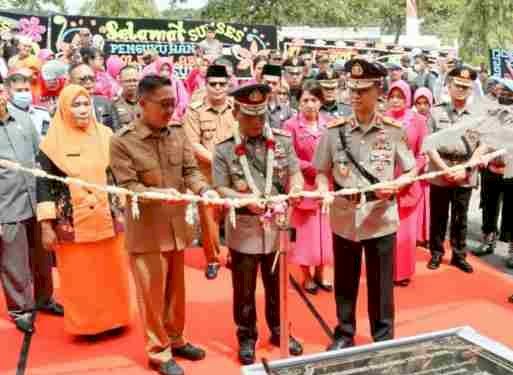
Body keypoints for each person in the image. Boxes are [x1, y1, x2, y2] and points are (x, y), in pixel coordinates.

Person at [110, 75, 214, 375]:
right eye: (164, 104)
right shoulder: (122, 141)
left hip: (177, 227)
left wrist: (203, 189)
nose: (171, 110)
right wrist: (157, 194)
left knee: (175, 293)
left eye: (173, 103)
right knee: (152, 296)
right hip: (147, 233)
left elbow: (191, 170)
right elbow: (128, 186)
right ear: (142, 104)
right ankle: (158, 352)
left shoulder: (178, 132)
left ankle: (177, 339)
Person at [313, 59, 416, 349]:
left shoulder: (393, 131)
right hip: (345, 215)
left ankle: (382, 338)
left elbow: (411, 168)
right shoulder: (334, 131)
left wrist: (398, 184)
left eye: (363, 90)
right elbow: (322, 170)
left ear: (378, 91)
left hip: (380, 217)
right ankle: (344, 333)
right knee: (344, 282)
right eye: (352, 89)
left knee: (381, 287)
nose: (355, 95)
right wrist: (323, 190)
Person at [213, 83, 304, 365]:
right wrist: (244, 199)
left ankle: (279, 330)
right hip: (244, 227)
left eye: (261, 116)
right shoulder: (224, 149)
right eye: (250, 116)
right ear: (237, 112)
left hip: (276, 227)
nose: (256, 122)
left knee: (277, 285)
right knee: (244, 289)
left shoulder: (282, 140)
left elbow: (295, 171)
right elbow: (220, 187)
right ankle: (247, 335)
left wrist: (297, 189)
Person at [36, 84, 130, 337]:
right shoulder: (50, 144)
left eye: (86, 104)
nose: (82, 110)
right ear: (64, 109)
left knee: (112, 270)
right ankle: (88, 326)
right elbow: (44, 185)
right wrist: (46, 226)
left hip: (109, 218)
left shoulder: (106, 134)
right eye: (75, 105)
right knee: (81, 276)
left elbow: (119, 175)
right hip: (73, 223)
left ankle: (116, 319)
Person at [0, 79, 63, 334]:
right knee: (13, 262)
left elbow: (39, 153)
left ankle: (44, 299)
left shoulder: (23, 119)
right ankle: (21, 309)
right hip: (6, 206)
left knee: (42, 258)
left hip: (34, 200)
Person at [425, 66, 483, 273]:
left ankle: (459, 255)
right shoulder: (436, 111)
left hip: (465, 172)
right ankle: (437, 253)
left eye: (465, 87)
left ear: (471, 90)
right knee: (438, 216)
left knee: (461, 217)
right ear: (448, 86)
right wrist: (443, 169)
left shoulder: (478, 115)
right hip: (440, 170)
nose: (461, 89)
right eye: (457, 85)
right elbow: (428, 144)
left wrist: (465, 169)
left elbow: (483, 145)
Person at [183, 65, 234, 280]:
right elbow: (193, 144)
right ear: (206, 85)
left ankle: (234, 256)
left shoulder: (237, 108)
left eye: (222, 84)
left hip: (235, 174)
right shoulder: (194, 110)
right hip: (207, 174)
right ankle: (212, 259)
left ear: (228, 84)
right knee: (209, 220)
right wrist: (218, 161)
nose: (218, 88)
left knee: (236, 217)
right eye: (213, 84)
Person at [283, 81, 333, 294]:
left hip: (326, 187)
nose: (310, 104)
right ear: (298, 103)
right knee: (306, 236)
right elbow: (289, 156)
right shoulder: (290, 126)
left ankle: (322, 273)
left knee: (325, 234)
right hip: (303, 186)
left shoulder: (330, 124)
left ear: (321, 102)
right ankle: (306, 275)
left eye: (314, 100)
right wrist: (312, 167)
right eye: (305, 100)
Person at [386, 80, 428, 287]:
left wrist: (411, 174)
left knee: (405, 233)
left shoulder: (418, 120)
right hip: (384, 185)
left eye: (400, 97)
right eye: (392, 96)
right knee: (385, 231)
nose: (395, 101)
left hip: (409, 185)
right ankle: (385, 271)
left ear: (407, 99)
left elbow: (423, 152)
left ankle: (402, 272)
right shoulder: (381, 119)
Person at [473, 78, 513, 266]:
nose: (505, 95)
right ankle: (488, 239)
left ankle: (512, 250)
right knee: (489, 206)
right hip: (490, 169)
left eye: (509, 93)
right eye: (503, 92)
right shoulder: (492, 114)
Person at [69, 63, 121, 132]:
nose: (88, 82)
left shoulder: (106, 103)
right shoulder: (65, 106)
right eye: (83, 79)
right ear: (71, 82)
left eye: (91, 78)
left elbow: (117, 133)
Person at [413, 87, 434, 246]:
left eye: (425, 103)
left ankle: (428, 235)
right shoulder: (411, 120)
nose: (422, 106)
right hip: (415, 166)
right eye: (418, 103)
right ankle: (417, 234)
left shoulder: (435, 119)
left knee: (430, 203)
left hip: (432, 168)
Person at [6, 72, 51, 137]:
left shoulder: (43, 113)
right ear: (8, 93)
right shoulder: (5, 117)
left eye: (27, 90)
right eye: (19, 90)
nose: (24, 93)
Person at [263, 64, 295, 129]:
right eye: (267, 83)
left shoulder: (286, 110)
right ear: (262, 82)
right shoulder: (254, 107)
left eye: (274, 83)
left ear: (279, 85)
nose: (270, 86)